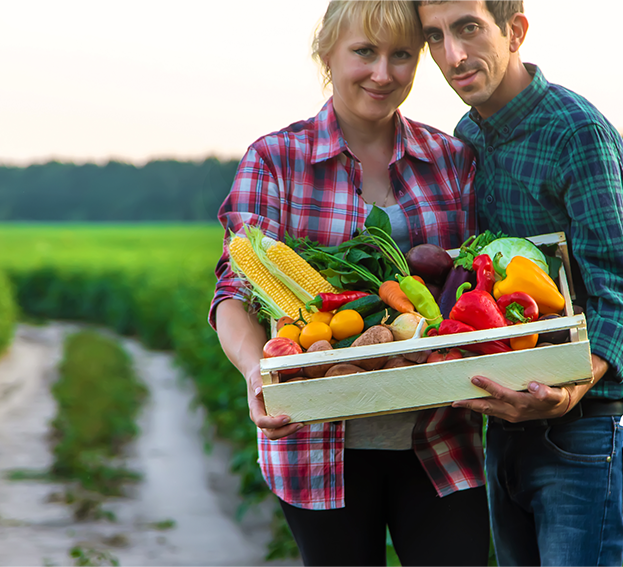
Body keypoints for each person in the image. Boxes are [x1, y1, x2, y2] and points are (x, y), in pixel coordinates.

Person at [208, 1, 489, 565]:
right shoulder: (276, 160)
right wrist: (254, 371)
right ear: (327, 55)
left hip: (439, 432)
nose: (383, 74)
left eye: (401, 55)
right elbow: (235, 293)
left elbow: (474, 286)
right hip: (317, 442)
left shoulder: (451, 160)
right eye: (364, 52)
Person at [414, 0, 623, 566]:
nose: (453, 55)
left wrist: (569, 389)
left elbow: (619, 298)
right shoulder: (466, 136)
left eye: (468, 29)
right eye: (435, 37)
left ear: (515, 30)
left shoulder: (577, 134)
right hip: (500, 417)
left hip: (579, 423)